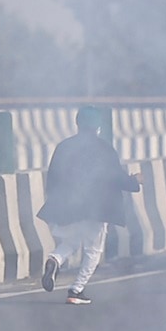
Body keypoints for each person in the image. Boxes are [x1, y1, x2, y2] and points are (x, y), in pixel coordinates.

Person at [38, 107, 141, 305]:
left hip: (70, 207)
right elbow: (116, 178)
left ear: (77, 123)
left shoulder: (63, 147)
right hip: (97, 208)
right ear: (98, 127)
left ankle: (54, 260)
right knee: (93, 250)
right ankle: (76, 290)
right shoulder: (105, 149)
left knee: (71, 242)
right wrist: (134, 181)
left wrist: (57, 202)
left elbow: (52, 179)